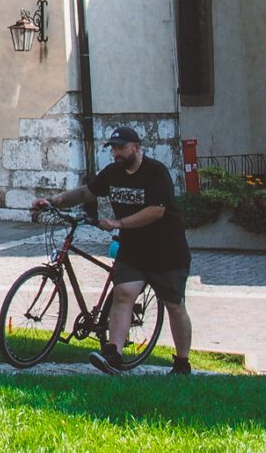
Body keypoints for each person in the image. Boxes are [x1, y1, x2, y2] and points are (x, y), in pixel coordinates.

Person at [33, 126, 193, 375]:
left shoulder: (155, 172)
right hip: (133, 249)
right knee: (123, 293)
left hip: (167, 250)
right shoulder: (113, 172)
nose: (117, 153)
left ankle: (182, 362)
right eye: (114, 148)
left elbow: (156, 210)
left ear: (136, 147)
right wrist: (55, 201)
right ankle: (114, 354)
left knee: (174, 305)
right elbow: (88, 192)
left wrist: (118, 223)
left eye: (121, 148)